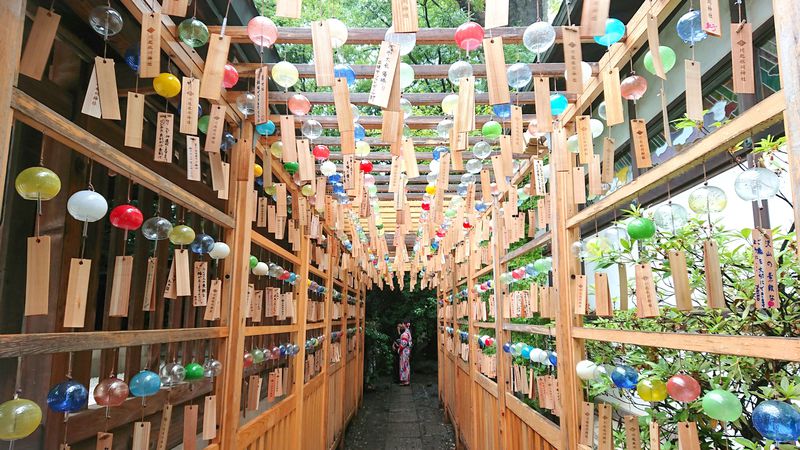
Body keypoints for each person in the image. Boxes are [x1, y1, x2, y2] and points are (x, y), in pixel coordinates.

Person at [397, 321, 412, 386]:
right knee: (406, 364)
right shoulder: (408, 331)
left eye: (402, 323)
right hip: (407, 350)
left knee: (404, 365)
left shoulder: (405, 333)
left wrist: (399, 349)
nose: (402, 324)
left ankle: (405, 380)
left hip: (404, 351)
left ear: (405, 325)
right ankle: (406, 380)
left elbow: (404, 343)